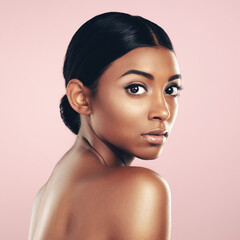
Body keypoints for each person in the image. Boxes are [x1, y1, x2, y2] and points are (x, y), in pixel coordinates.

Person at [28, 11, 183, 240]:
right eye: (136, 88)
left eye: (170, 90)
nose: (163, 111)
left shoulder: (45, 197)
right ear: (81, 97)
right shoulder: (140, 188)